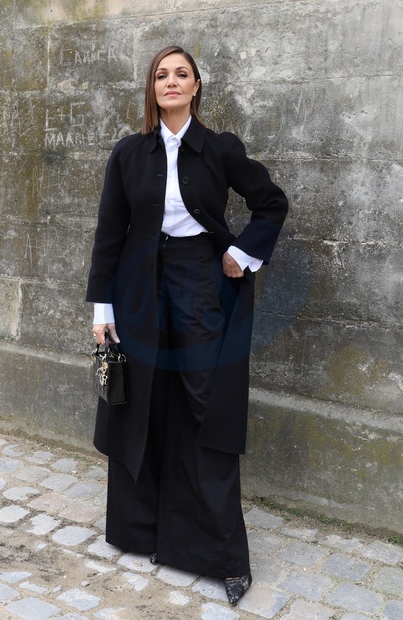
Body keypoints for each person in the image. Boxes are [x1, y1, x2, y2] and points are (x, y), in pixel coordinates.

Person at [86, 45, 288, 605]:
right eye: (161, 75)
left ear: (197, 86)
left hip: (200, 281)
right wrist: (102, 309)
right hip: (138, 290)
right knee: (140, 401)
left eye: (181, 74)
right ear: (151, 88)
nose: (171, 82)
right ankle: (139, 530)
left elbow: (271, 203)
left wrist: (241, 253)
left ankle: (223, 555)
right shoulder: (129, 153)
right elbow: (110, 233)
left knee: (206, 406)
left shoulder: (220, 148)